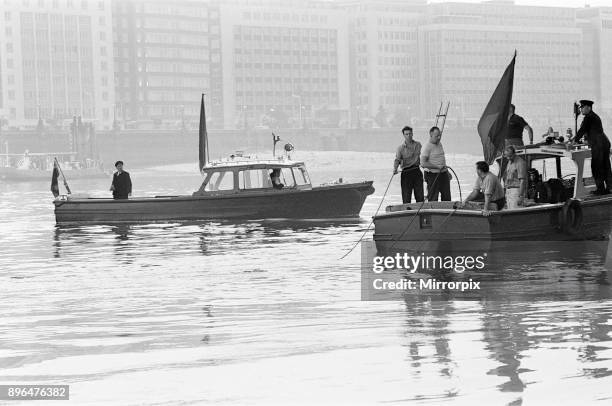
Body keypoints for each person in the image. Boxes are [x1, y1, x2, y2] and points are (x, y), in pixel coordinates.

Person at [573, 99, 612, 195]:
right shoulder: (593, 116)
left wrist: (574, 141)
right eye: (580, 108)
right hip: (603, 143)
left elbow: (582, 130)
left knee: (596, 166)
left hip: (599, 145)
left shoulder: (589, 117)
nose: (581, 109)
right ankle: (609, 188)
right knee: (605, 166)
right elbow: (590, 131)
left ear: (588, 108)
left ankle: (601, 190)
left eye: (582, 107)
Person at [393, 126, 423, 203]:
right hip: (406, 173)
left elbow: (420, 156)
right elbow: (397, 159)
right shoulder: (400, 148)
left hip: (416, 171)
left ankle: (420, 211)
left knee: (419, 196)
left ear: (412, 134)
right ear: (403, 135)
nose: (408, 135)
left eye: (410, 133)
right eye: (406, 134)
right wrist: (395, 169)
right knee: (406, 197)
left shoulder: (418, 145)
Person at [421, 126, 451, 201]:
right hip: (432, 175)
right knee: (433, 197)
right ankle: (432, 211)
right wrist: (437, 167)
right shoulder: (427, 147)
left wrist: (447, 172)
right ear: (431, 135)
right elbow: (423, 163)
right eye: (436, 136)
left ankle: (446, 211)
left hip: (443, 173)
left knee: (447, 196)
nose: (438, 138)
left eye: (439, 135)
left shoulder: (439, 143)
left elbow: (441, 159)